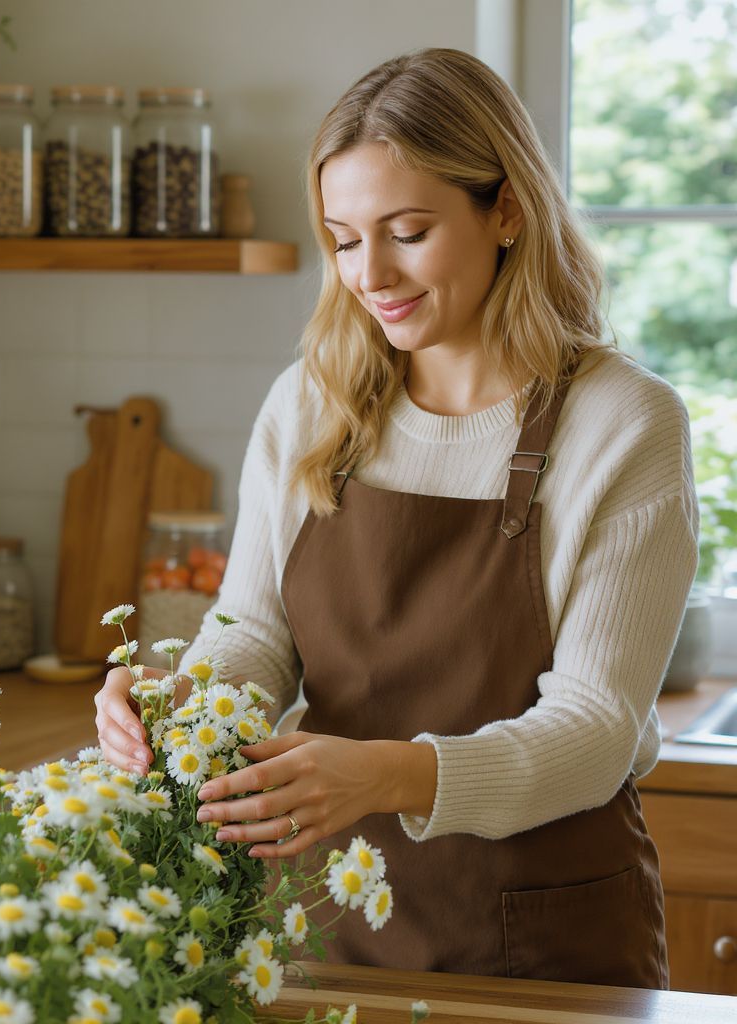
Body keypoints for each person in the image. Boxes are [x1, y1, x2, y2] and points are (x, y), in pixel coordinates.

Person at [94, 47, 697, 989]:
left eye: (407, 232)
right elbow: (254, 634)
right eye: (343, 239)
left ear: (506, 211)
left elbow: (595, 731)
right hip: (320, 924)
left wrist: (383, 774)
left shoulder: (623, 421)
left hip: (545, 938)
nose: (369, 274)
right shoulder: (313, 402)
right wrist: (179, 705)